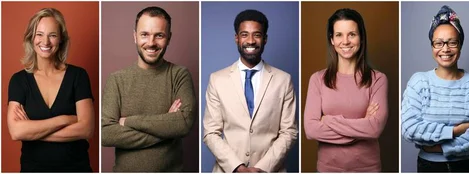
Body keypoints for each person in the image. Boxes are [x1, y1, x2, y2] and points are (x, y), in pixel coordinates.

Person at [101, 6, 196, 172]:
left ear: (169, 38)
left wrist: (129, 122)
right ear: (135, 37)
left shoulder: (180, 75)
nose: (151, 43)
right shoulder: (116, 80)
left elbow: (184, 123)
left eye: (159, 35)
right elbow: (107, 134)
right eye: (144, 34)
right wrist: (167, 127)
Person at [203, 9, 298, 173]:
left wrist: (262, 168)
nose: (251, 41)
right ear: (236, 38)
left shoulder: (283, 80)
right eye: (244, 34)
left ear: (265, 39)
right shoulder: (217, 79)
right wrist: (237, 167)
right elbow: (210, 133)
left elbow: (289, 132)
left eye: (257, 35)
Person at [401, 5, 469, 172]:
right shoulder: (419, 82)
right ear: (432, 46)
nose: (445, 49)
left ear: (460, 45)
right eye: (438, 43)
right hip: (429, 167)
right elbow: (409, 129)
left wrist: (438, 148)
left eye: (452, 42)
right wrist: (455, 130)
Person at [7, 8, 94, 172]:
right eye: (39, 34)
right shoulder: (18, 81)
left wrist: (33, 132)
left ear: (61, 39)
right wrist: (65, 119)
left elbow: (86, 129)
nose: (45, 42)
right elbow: (16, 132)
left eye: (52, 35)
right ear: (31, 38)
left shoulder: (78, 76)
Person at [303, 8, 388, 172]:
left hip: (367, 168)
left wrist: (327, 121)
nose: (346, 41)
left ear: (361, 38)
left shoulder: (378, 79)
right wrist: (361, 126)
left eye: (352, 34)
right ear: (332, 40)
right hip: (328, 168)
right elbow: (311, 130)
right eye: (339, 35)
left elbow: (374, 129)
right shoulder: (317, 79)